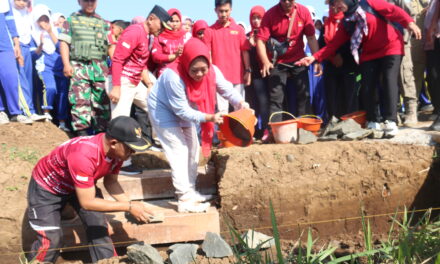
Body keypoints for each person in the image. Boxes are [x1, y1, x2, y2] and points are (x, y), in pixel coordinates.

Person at [26, 116, 153, 263]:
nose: (133, 152)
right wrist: (129, 207)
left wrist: (133, 206)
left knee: (99, 227)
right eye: (130, 148)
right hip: (47, 189)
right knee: (51, 240)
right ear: (113, 143)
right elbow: (87, 203)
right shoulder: (84, 155)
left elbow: (111, 182)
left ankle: (107, 261)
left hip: (80, 186)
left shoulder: (116, 154)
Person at [147, 38, 250, 213]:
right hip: (162, 109)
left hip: (186, 107)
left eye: (204, 69)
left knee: (193, 148)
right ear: (186, 64)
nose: (200, 74)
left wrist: (241, 103)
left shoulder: (213, 71)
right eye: (194, 70)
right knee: (178, 150)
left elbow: (227, 89)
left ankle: (190, 190)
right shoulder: (173, 76)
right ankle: (184, 198)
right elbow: (181, 111)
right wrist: (210, 117)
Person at [296, 0, 421, 138]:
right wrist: (314, 58)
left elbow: (394, 11)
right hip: (369, 53)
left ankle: (390, 121)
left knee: (388, 80)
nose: (336, 6)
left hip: (390, 47)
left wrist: (409, 23)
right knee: (368, 86)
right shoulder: (347, 22)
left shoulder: (369, 3)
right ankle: (373, 120)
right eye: (333, 4)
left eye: (338, 1)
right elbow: (333, 45)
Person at [109, 5, 171, 175]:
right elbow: (117, 59)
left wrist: (149, 84)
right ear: (151, 18)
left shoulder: (146, 36)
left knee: (156, 106)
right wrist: (116, 86)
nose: (161, 30)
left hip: (135, 82)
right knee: (120, 120)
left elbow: (141, 63)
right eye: (161, 25)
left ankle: (159, 142)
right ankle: (120, 163)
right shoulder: (134, 32)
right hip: (122, 80)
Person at [256, 0, 322, 122]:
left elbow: (311, 37)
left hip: (298, 59)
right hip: (278, 62)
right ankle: (275, 130)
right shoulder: (270, 14)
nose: (287, 2)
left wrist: (317, 59)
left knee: (304, 95)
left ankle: (305, 127)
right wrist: (266, 62)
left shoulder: (303, 12)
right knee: (276, 98)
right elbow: (260, 41)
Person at [59, 0, 111, 136]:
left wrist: (115, 69)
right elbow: (64, 43)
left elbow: (111, 47)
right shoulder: (71, 21)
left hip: (100, 68)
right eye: (86, 0)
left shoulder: (104, 23)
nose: (90, 3)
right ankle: (82, 135)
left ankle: (100, 136)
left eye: (92, 1)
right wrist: (66, 64)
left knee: (101, 103)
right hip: (79, 66)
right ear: (79, 2)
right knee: (79, 101)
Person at [31, 4, 71, 131]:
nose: (44, 22)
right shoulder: (33, 34)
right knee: (50, 88)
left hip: (60, 68)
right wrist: (41, 44)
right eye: (41, 20)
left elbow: (61, 48)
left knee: (63, 95)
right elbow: (33, 55)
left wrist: (50, 32)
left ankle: (62, 122)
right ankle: (46, 113)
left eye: (46, 19)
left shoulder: (57, 31)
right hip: (46, 68)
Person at [208, 0, 251, 113]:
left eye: (226, 11)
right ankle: (223, 131)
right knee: (222, 111)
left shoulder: (239, 29)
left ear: (231, 10)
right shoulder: (209, 31)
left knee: (241, 108)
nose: (223, 14)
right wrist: (211, 74)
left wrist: (248, 71)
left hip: (238, 76)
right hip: (219, 79)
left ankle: (239, 131)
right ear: (215, 11)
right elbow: (208, 54)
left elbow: (245, 51)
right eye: (221, 11)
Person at [322, 3, 360, 118]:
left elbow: (351, 39)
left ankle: (352, 120)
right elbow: (322, 44)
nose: (333, 8)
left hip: (348, 62)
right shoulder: (326, 24)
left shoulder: (349, 20)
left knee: (349, 94)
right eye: (330, 5)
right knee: (332, 95)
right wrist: (332, 57)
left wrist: (340, 54)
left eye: (335, 5)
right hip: (331, 63)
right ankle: (333, 120)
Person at [0, 0, 33, 124]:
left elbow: (9, 19)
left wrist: (16, 42)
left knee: (11, 77)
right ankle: (1, 112)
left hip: (5, 45)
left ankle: (15, 112)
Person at [245, 5, 270, 140]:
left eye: (259, 18)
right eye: (253, 18)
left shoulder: (267, 35)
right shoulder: (247, 37)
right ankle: (253, 130)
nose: (256, 21)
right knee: (252, 104)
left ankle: (266, 129)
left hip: (264, 75)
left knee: (264, 103)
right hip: (251, 76)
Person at [151, 8, 187, 77]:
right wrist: (173, 56)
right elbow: (156, 56)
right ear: (166, 21)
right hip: (164, 72)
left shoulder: (186, 36)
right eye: (172, 21)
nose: (174, 24)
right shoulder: (159, 36)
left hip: (182, 72)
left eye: (177, 21)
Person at [425, 0, 440, 130]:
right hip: (435, 38)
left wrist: (432, 26)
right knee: (433, 75)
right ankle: (437, 109)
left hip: (436, 34)